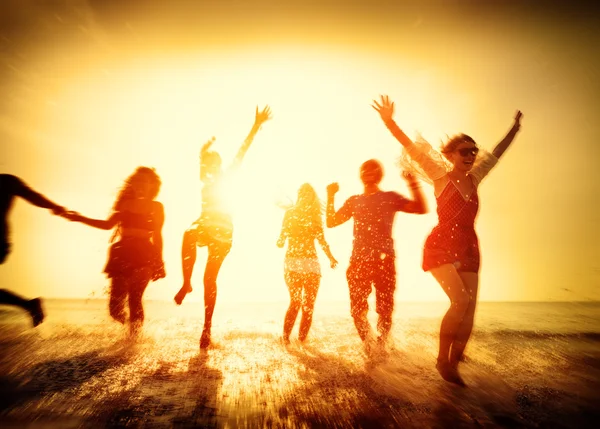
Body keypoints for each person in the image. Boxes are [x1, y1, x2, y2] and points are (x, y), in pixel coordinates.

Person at [372, 94, 523, 386]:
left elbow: (498, 153)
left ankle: (455, 364)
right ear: (451, 154)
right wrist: (389, 121)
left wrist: (515, 129)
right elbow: (409, 146)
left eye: (473, 152)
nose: (470, 156)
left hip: (469, 246)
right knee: (460, 300)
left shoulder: (476, 177)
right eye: (465, 151)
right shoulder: (440, 176)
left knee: (470, 309)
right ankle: (442, 359)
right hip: (441, 243)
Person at [174, 105, 272, 349]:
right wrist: (202, 152)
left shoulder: (226, 176)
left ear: (219, 166)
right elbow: (202, 164)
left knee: (210, 278)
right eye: (208, 165)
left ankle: (206, 329)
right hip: (205, 224)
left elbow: (241, 152)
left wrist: (256, 126)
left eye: (214, 164)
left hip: (224, 232)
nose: (211, 168)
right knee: (188, 233)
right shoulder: (204, 179)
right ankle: (186, 283)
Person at [326, 160, 427, 354]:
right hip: (358, 262)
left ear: (380, 175)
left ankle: (381, 346)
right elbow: (331, 222)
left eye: (374, 170)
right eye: (365, 169)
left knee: (385, 309)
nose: (369, 172)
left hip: (384, 261)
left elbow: (420, 208)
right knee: (357, 311)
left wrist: (413, 183)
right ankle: (369, 345)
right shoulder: (354, 201)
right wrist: (330, 196)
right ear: (360, 175)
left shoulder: (389, 197)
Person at [63, 167, 165, 337]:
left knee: (134, 297)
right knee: (115, 309)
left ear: (151, 185)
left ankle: (134, 341)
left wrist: (160, 262)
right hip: (122, 253)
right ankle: (130, 327)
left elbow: (158, 235)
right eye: (137, 180)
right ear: (132, 183)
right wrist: (80, 218)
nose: (140, 184)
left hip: (145, 253)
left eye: (144, 181)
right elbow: (107, 225)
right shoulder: (125, 205)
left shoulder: (156, 207)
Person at [0, 174, 67, 327]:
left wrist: (54, 206)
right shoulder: (8, 181)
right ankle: (28, 305)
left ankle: (28, 304)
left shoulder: (7, 181)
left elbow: (33, 197)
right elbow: (33, 196)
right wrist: (54, 207)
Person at [277, 183, 338, 344]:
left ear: (312, 197)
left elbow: (322, 241)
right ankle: (285, 339)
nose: (305, 196)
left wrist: (331, 257)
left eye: (308, 193)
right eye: (302, 193)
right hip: (292, 262)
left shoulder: (315, 217)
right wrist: (280, 240)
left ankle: (302, 342)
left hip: (311, 263)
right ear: (299, 196)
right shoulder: (290, 214)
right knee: (295, 301)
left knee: (309, 305)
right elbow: (282, 237)